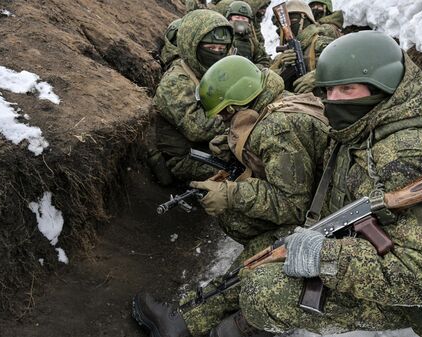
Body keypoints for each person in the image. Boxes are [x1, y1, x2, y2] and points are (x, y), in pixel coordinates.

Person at [240, 31, 422, 337]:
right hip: (361, 248)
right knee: (261, 252)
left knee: (264, 291)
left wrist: (323, 257)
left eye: (347, 89)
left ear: (381, 86)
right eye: (329, 91)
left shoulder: (409, 154)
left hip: (404, 297)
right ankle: (195, 317)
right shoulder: (364, 125)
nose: (333, 101)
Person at [132, 55, 330, 337]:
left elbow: (291, 204)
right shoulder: (277, 100)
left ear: (238, 103)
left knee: (261, 252)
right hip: (324, 207)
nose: (224, 121)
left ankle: (184, 322)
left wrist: (232, 193)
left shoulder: (279, 127)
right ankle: (208, 315)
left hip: (325, 222)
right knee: (247, 231)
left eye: (226, 114)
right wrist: (234, 143)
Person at [150, 10, 232, 184]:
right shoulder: (175, 82)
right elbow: (198, 129)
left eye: (221, 48)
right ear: (192, 46)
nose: (217, 53)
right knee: (242, 176)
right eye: (211, 48)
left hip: (210, 146)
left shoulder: (210, 73)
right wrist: (237, 118)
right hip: (184, 158)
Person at [269, 0, 336, 91]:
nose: (288, 26)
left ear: (305, 20)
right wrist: (282, 66)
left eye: (292, 19)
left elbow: (345, 65)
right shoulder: (283, 55)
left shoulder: (320, 43)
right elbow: (265, 83)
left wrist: (318, 77)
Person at [225, 1, 270, 67]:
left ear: (249, 22)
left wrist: (256, 68)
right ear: (229, 19)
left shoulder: (252, 41)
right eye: (237, 17)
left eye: (244, 18)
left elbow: (264, 59)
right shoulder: (223, 38)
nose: (240, 21)